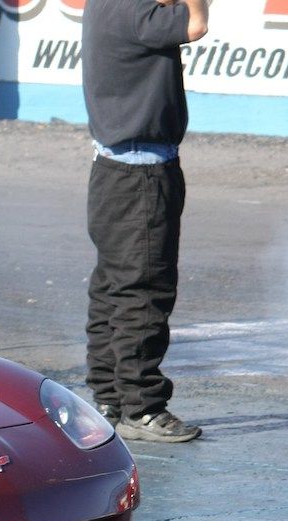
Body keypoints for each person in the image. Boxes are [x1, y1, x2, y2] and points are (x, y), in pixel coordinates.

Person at [81, 0, 209, 442]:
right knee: (144, 291)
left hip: (112, 169)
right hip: (141, 175)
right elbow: (196, 23)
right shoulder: (140, 14)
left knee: (113, 287)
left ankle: (108, 397)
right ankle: (142, 407)